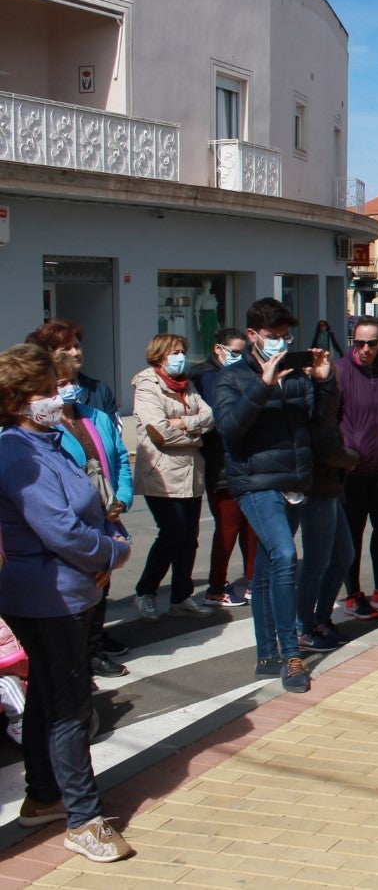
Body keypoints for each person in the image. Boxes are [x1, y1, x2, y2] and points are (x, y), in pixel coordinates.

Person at [0, 343, 135, 862]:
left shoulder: (50, 440)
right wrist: (111, 553)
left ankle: (43, 796)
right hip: (48, 594)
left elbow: (85, 504)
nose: (58, 395)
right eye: (45, 390)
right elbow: (57, 526)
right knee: (70, 709)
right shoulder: (16, 451)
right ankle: (83, 818)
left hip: (70, 587)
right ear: (18, 401)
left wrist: (102, 547)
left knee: (48, 699)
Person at [214, 297, 327, 693]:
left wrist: (324, 382)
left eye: (285, 337)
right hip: (255, 483)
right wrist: (262, 386)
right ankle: (290, 652)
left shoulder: (296, 376)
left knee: (266, 568)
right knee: (283, 554)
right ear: (252, 337)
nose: (279, 344)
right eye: (271, 337)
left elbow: (318, 425)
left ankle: (266, 653)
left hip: (294, 481)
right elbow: (229, 429)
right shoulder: (231, 379)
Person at [51, 353, 134, 678]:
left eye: (72, 382)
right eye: (61, 384)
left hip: (106, 515)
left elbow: (122, 460)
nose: (69, 389)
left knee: (102, 585)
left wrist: (122, 499)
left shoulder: (96, 417)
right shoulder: (45, 426)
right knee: (79, 589)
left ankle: (95, 649)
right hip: (75, 518)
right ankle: (80, 655)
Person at [131, 334, 214, 621]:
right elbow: (160, 432)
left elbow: (210, 416)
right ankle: (146, 591)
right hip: (162, 474)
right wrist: (195, 432)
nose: (181, 356)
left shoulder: (187, 384)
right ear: (159, 355)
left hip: (191, 472)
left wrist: (186, 423)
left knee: (189, 537)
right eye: (175, 352)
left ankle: (181, 595)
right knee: (172, 533)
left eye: (183, 351)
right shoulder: (147, 385)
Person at [335, 317, 378, 619]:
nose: (364, 349)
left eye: (371, 343)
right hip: (352, 470)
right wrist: (346, 452)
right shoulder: (340, 371)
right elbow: (329, 419)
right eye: (358, 342)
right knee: (352, 533)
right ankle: (352, 594)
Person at [296, 362, 358, 653]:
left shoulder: (328, 409)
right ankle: (304, 627)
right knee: (316, 564)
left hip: (332, 490)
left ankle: (320, 618)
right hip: (316, 491)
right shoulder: (312, 407)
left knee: (344, 555)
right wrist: (352, 457)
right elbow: (326, 450)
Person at [191, 328, 256, 607]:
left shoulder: (242, 372)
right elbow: (218, 416)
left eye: (243, 352)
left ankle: (254, 580)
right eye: (235, 352)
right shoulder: (205, 376)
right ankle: (216, 586)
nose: (239, 357)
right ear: (219, 349)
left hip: (247, 461)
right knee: (228, 527)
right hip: (221, 464)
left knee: (252, 525)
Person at [27, 320, 118, 418]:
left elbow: (113, 429)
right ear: (50, 354)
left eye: (77, 346)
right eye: (66, 348)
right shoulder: (39, 395)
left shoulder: (100, 390)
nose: (75, 353)